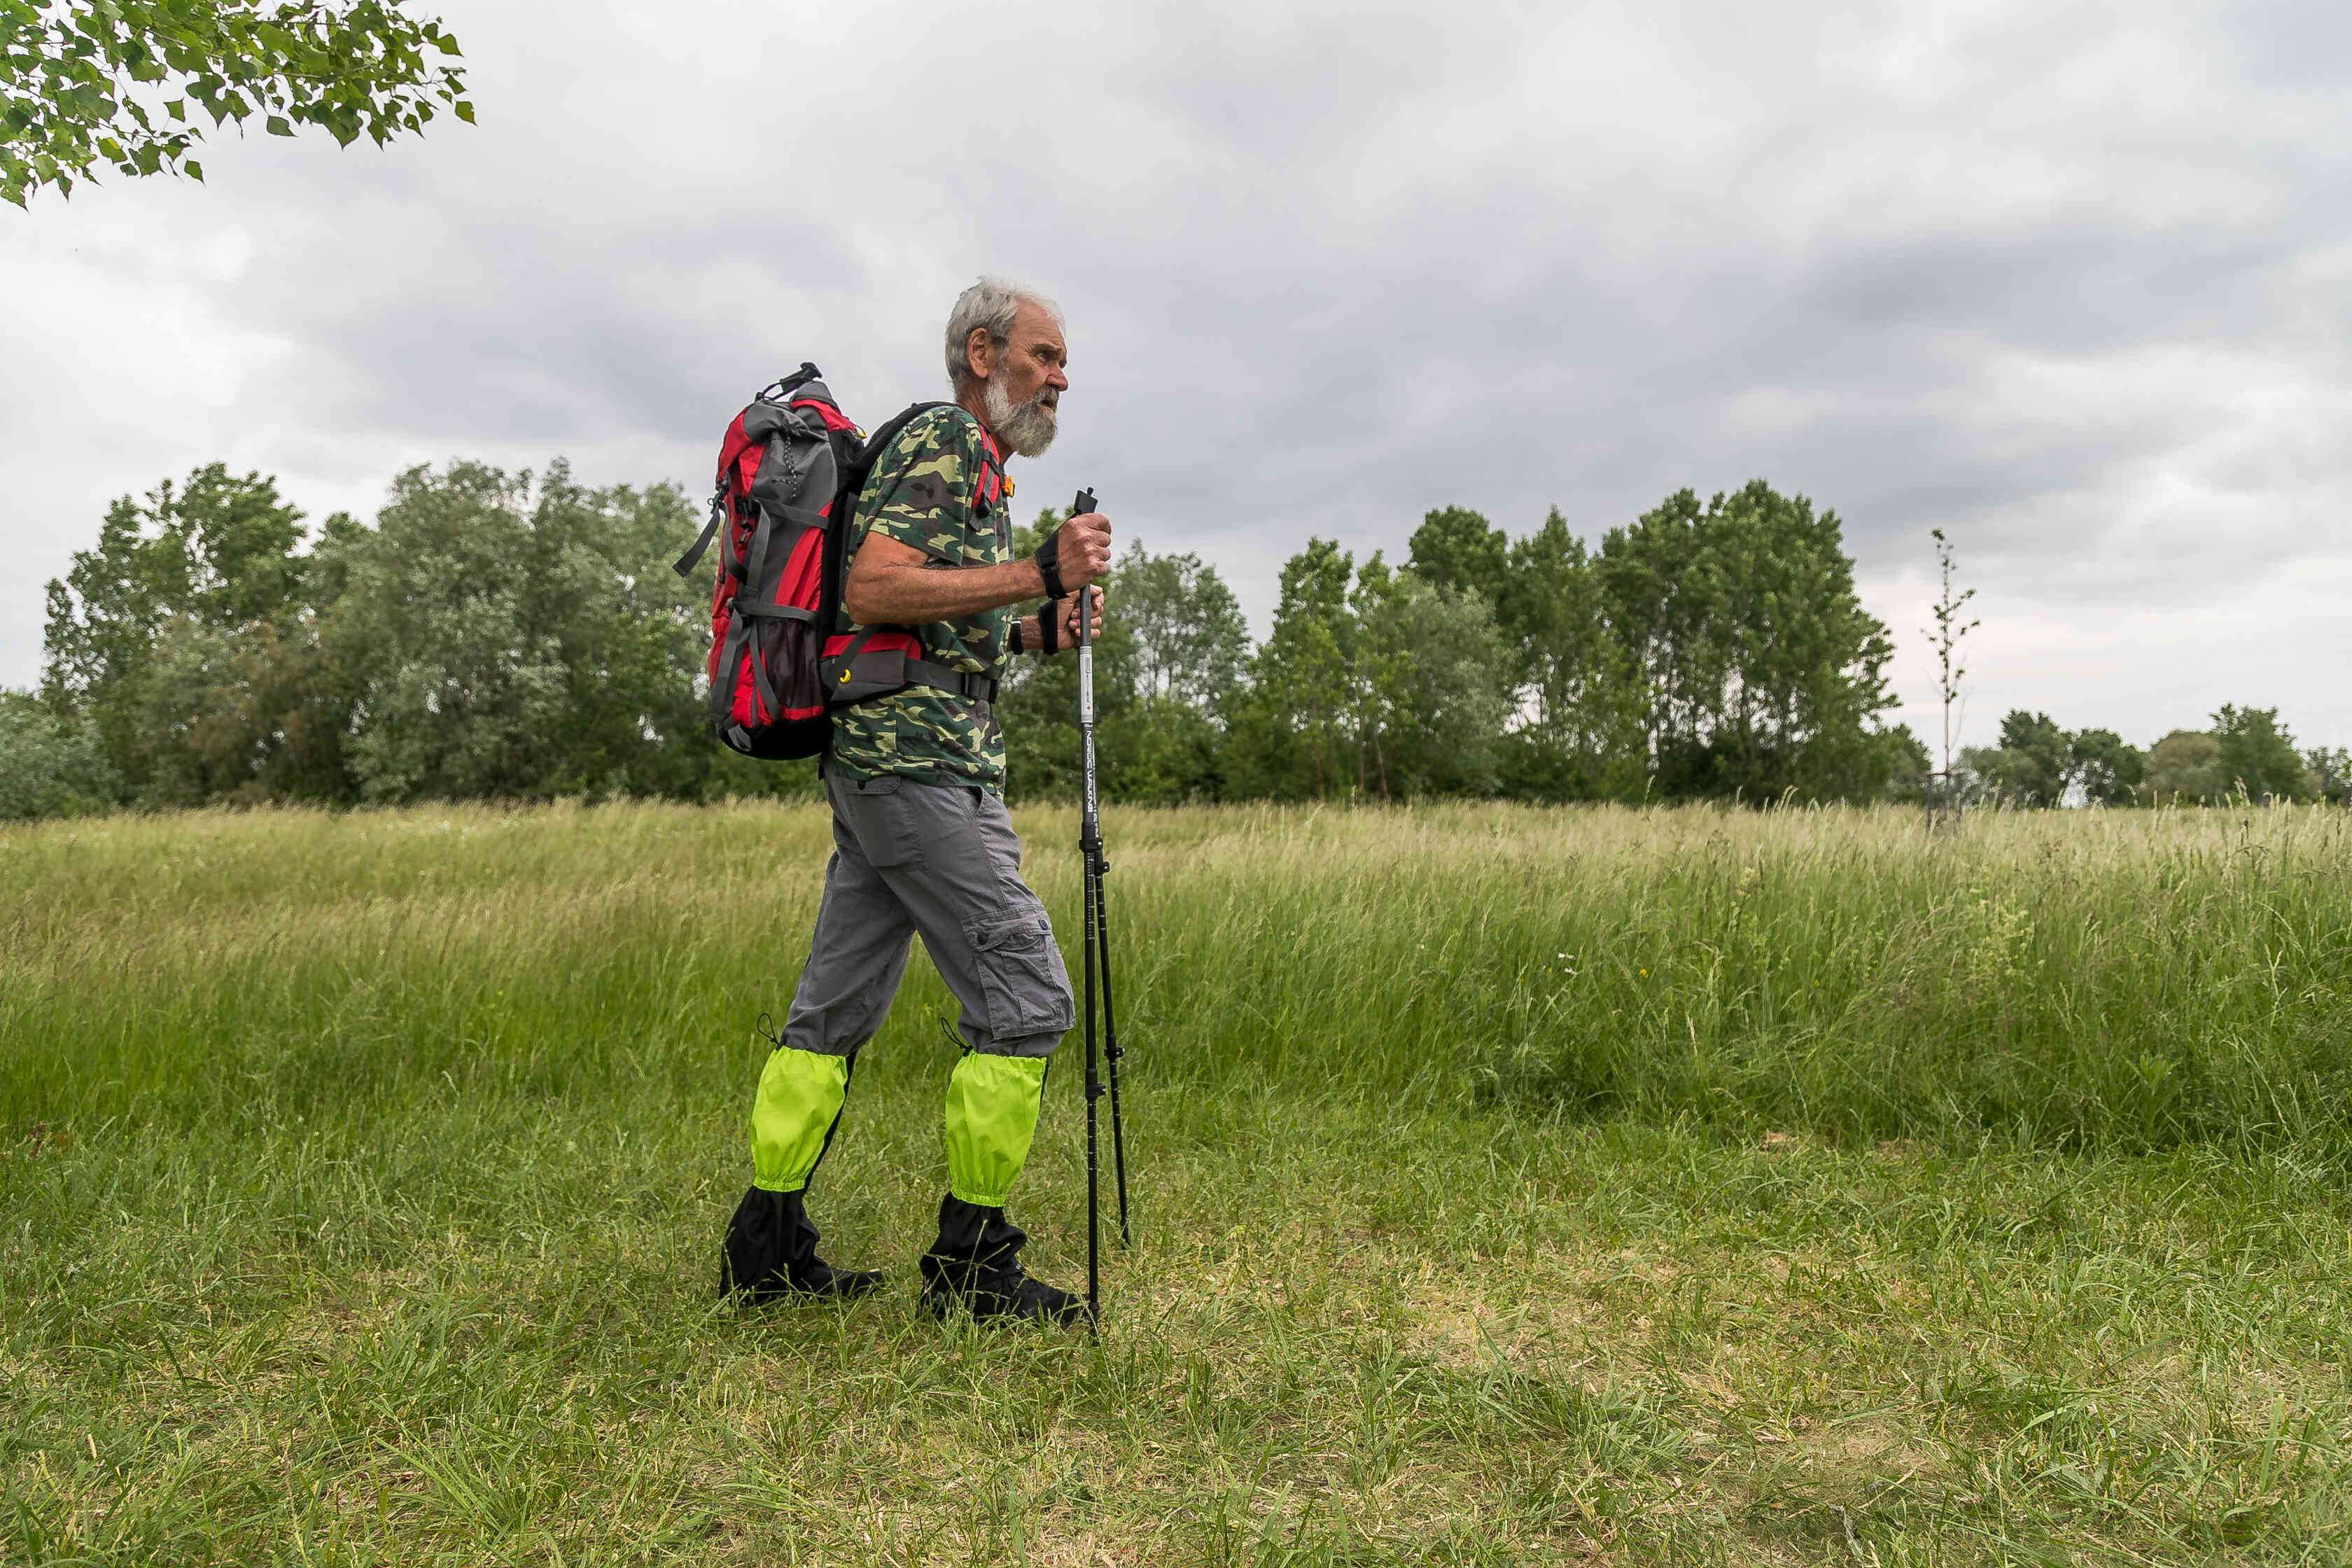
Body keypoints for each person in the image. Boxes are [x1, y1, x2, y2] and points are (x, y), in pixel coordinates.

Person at [718, 277, 1111, 1326]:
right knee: (1028, 999)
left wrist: (1030, 631)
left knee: (832, 1011)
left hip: (890, 766)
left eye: (1062, 363)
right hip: (918, 771)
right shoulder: (946, 437)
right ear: (983, 354)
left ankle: (765, 1247)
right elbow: (875, 587)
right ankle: (971, 1268)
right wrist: (1039, 571)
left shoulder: (973, 462)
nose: (1058, 379)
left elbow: (923, 624)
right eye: (1042, 356)